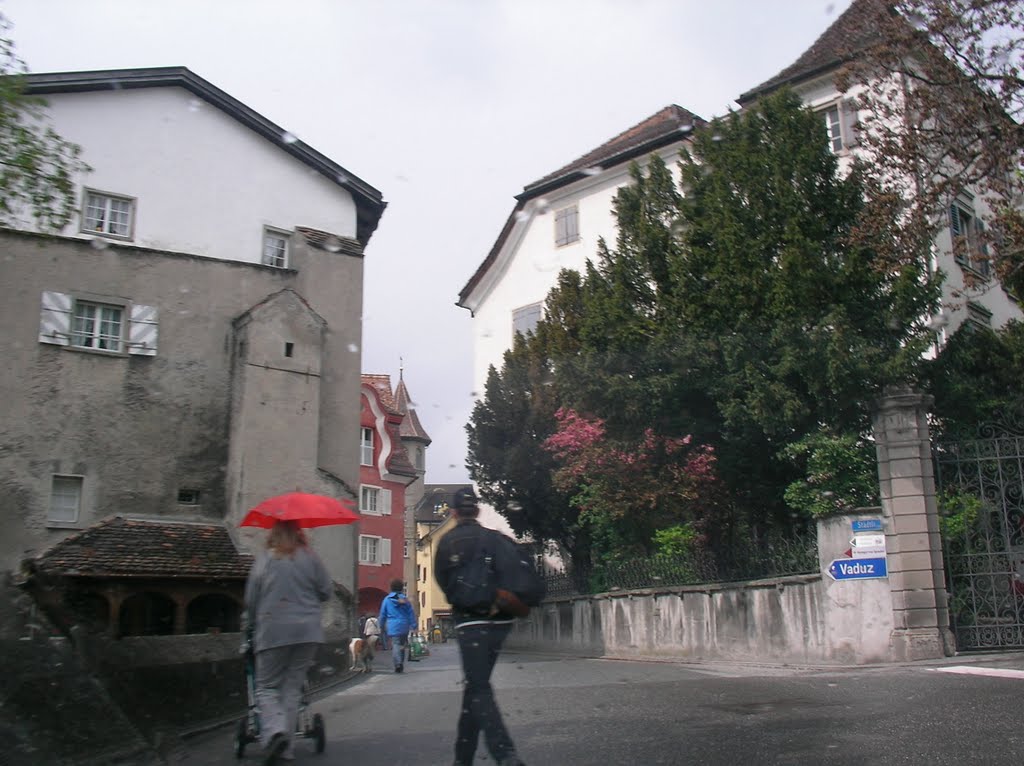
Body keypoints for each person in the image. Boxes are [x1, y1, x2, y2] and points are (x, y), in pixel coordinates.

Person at [434, 487, 526, 766]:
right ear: (476, 511)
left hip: (469, 620)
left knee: (478, 685)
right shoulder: (492, 539)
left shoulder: (448, 541)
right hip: (500, 621)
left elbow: (442, 579)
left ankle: (504, 753)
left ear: (453, 512)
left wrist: (461, 597)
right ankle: (462, 758)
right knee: (476, 685)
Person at [243, 520, 331, 765]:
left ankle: (275, 733)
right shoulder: (311, 558)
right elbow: (326, 591)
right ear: (299, 534)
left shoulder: (266, 559)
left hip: (272, 630)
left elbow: (251, 599)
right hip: (307, 632)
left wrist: (250, 624)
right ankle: (286, 749)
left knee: (266, 688)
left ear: (274, 534)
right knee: (292, 689)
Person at [378, 578, 416, 672]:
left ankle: (397, 664)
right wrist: (414, 625)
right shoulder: (405, 600)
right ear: (401, 588)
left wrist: (381, 625)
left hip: (393, 626)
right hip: (404, 625)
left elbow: (383, 614)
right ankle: (401, 663)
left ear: (391, 588)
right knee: (402, 645)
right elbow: (410, 613)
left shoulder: (387, 600)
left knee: (395, 644)